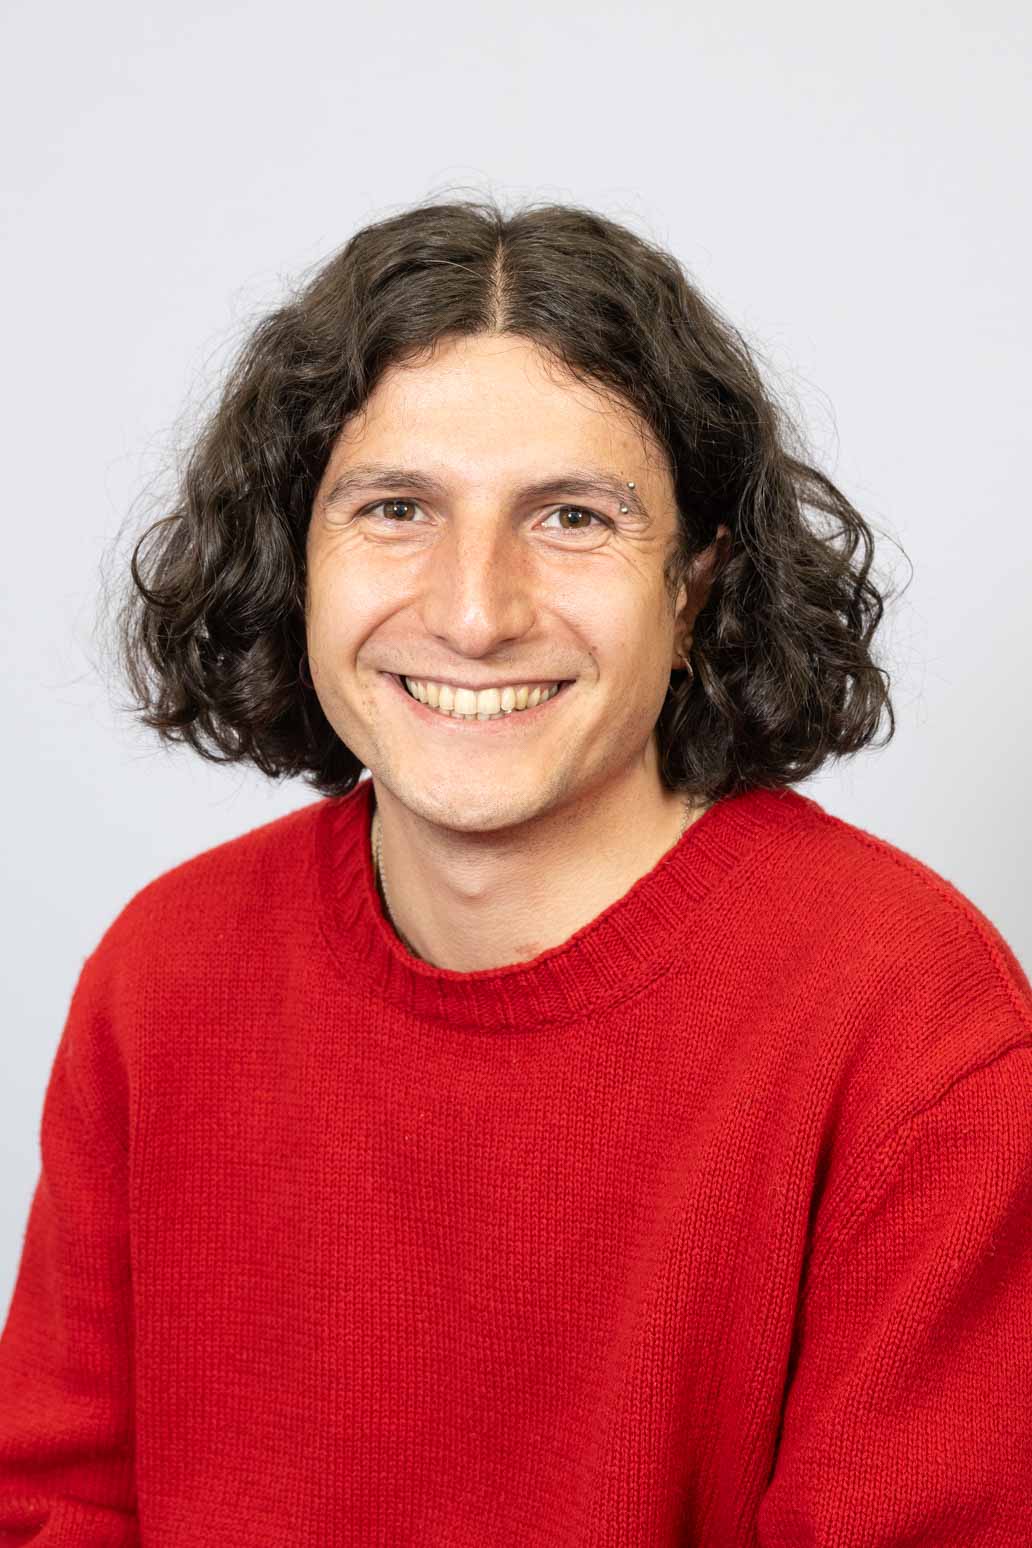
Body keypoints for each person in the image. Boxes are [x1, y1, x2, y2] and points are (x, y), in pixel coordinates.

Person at [2, 195, 1030, 1546]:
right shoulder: (167, 971)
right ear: (294, 560)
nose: (475, 612)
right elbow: (56, 1507)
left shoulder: (910, 1020)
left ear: (696, 587)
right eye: (395, 507)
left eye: (573, 519)